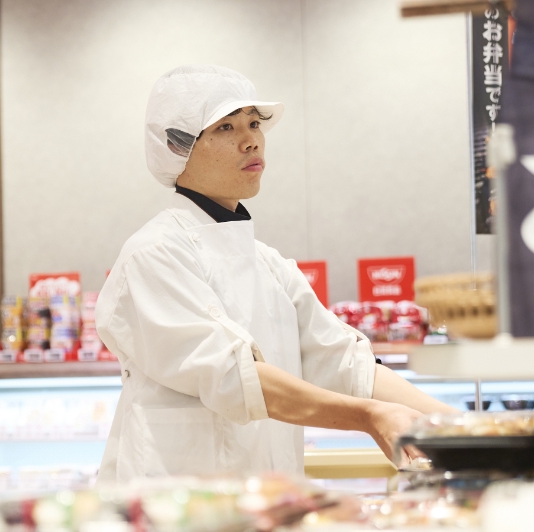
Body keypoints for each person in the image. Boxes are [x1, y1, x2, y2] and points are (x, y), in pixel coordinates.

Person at [96, 65, 455, 484]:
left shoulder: (268, 264)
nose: (251, 140)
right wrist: (368, 416)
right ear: (178, 146)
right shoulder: (154, 254)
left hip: (266, 502)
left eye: (254, 123)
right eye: (226, 127)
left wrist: (464, 428)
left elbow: (343, 362)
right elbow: (235, 377)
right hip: (174, 507)